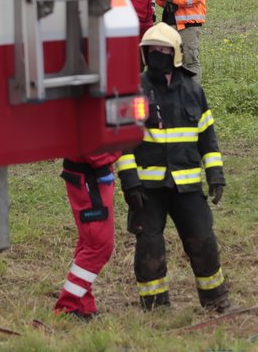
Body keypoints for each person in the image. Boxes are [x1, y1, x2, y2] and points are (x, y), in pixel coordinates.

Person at [115, 23, 230, 312]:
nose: (157, 54)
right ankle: (155, 306)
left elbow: (207, 136)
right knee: (149, 248)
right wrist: (129, 181)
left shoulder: (193, 90)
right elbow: (124, 140)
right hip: (147, 188)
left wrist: (215, 173)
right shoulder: (135, 90)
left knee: (202, 240)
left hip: (187, 185)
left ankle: (216, 299)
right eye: (151, 50)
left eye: (163, 49)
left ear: (176, 53)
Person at [53, 149, 121, 320]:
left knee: (89, 242)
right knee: (99, 245)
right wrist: (112, 155)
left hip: (91, 173)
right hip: (90, 174)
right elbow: (89, 140)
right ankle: (68, 306)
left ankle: (83, 305)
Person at [155, 0, 206, 82]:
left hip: (188, 26)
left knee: (190, 62)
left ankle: (192, 95)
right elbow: (163, 3)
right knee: (173, 62)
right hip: (171, 25)